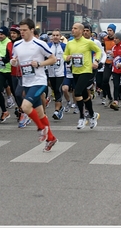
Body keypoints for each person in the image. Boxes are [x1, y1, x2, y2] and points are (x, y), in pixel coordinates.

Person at [10, 18, 58, 152]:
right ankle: (51, 138)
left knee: (25, 107)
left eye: (25, 30)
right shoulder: (17, 45)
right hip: (27, 82)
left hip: (39, 81)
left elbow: (53, 58)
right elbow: (16, 60)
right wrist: (14, 62)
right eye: (21, 30)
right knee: (40, 114)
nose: (22, 32)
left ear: (32, 30)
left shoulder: (39, 43)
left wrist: (39, 64)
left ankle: (41, 129)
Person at [63, 23, 102, 129]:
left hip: (86, 71)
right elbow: (64, 54)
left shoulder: (88, 42)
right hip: (75, 71)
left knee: (78, 92)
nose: (72, 30)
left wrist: (96, 61)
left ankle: (82, 117)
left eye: (75, 28)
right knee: (84, 95)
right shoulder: (69, 43)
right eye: (72, 28)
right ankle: (93, 115)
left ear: (80, 31)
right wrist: (66, 58)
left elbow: (99, 51)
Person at [47, 28, 66, 120]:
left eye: (57, 35)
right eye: (53, 35)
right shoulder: (48, 46)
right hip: (51, 73)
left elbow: (68, 57)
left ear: (60, 36)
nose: (55, 37)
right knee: (55, 90)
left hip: (61, 72)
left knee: (58, 90)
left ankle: (57, 111)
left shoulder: (64, 46)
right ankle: (61, 107)